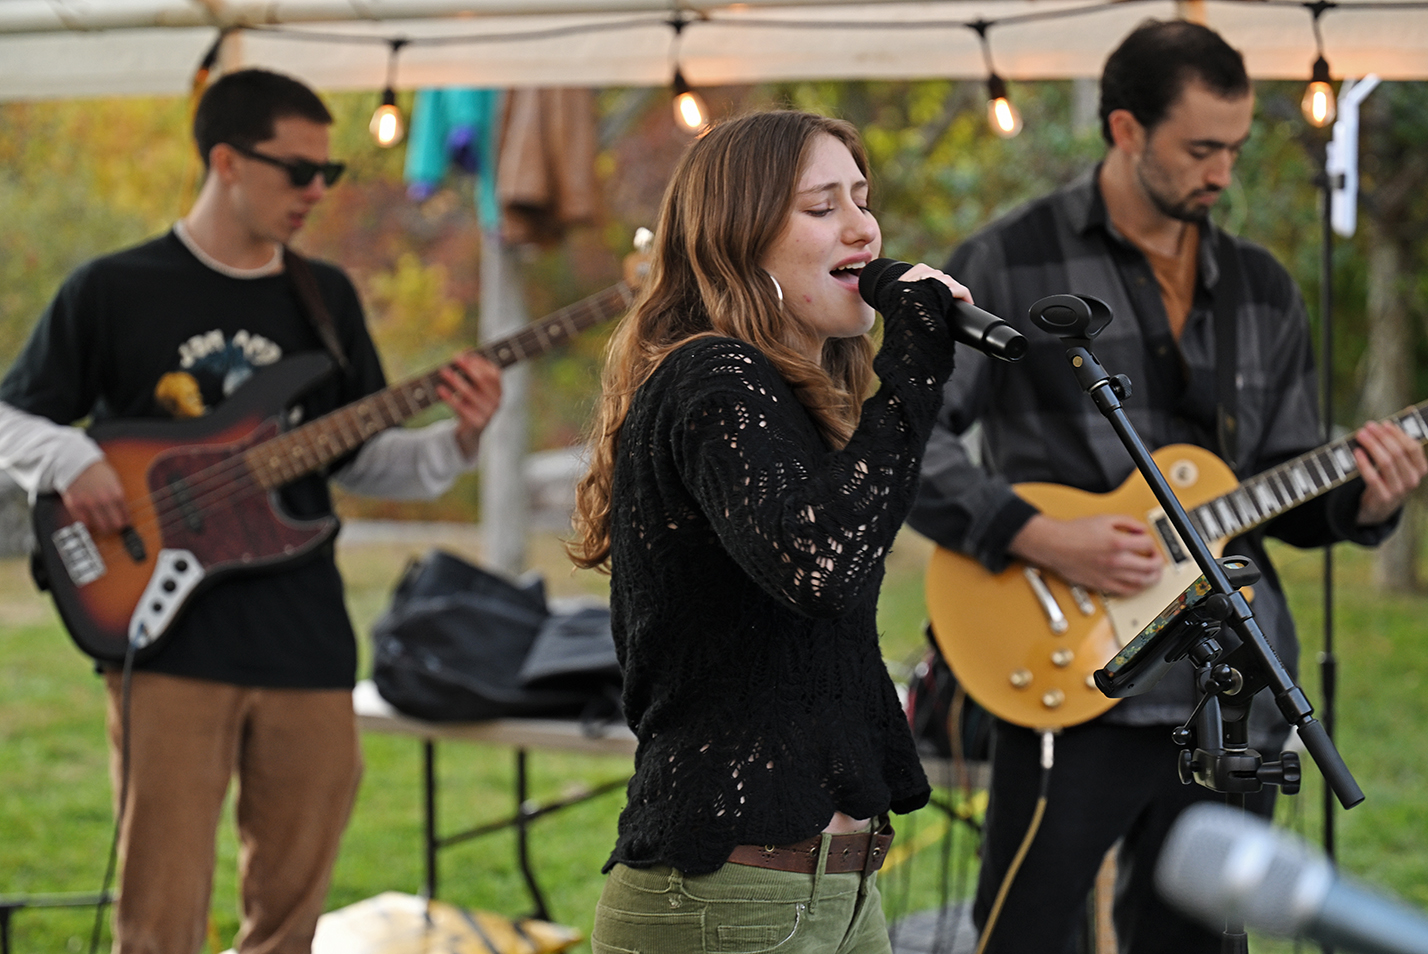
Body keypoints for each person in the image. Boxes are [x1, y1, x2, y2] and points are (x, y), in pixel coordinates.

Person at [906, 19, 1427, 954]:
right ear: (1124, 130)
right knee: (1025, 937)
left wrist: (1370, 497)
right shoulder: (1008, 260)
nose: (1222, 173)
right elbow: (906, 437)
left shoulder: (1263, 288)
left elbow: (1291, 480)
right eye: (1200, 149)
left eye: (1234, 148)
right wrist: (1034, 531)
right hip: (1070, 676)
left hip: (1234, 689)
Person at [0, 69, 502, 953]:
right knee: (159, 917)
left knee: (290, 920)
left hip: (303, 636)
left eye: (328, 174)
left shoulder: (326, 299)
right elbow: (11, 415)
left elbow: (361, 461)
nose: (317, 191)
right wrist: (72, 456)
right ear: (225, 160)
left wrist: (457, 442)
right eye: (297, 170)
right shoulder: (112, 290)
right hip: (164, 638)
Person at [568, 110, 969, 954]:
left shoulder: (780, 399)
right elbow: (824, 567)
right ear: (736, 240)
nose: (863, 226)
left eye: (863, 199)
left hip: (833, 894)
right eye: (822, 207)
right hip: (731, 905)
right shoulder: (714, 375)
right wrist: (916, 366)